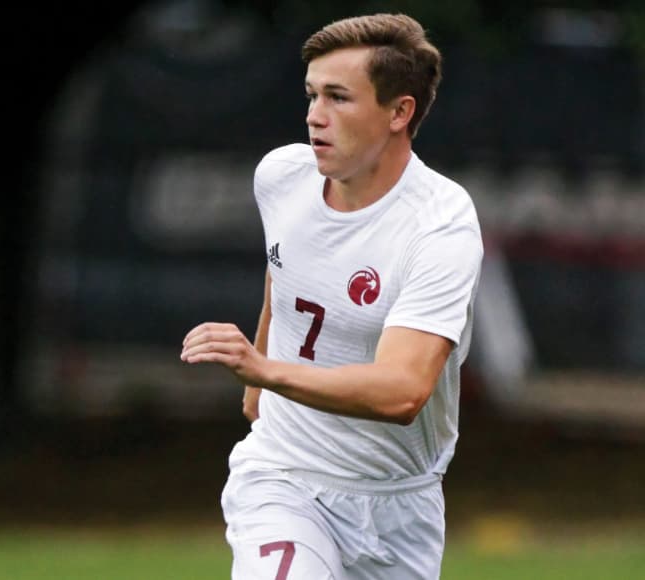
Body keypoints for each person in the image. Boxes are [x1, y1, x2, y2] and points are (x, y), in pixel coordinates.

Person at [180, 13, 483, 579]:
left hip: (399, 505)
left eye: (339, 98)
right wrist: (261, 383)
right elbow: (287, 269)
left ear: (400, 112)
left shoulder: (439, 226)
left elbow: (401, 392)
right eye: (312, 94)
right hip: (282, 476)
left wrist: (264, 370)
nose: (314, 117)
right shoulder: (281, 176)